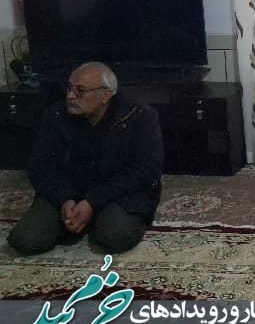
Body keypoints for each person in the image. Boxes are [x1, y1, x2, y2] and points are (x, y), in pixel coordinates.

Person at [7, 62, 163, 255]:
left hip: (118, 193)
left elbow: (146, 169)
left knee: (114, 237)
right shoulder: (55, 115)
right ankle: (79, 219)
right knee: (26, 240)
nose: (70, 96)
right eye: (69, 88)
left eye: (80, 91)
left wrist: (92, 202)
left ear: (106, 95)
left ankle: (94, 220)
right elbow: (39, 166)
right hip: (68, 192)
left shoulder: (138, 115)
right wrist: (64, 199)